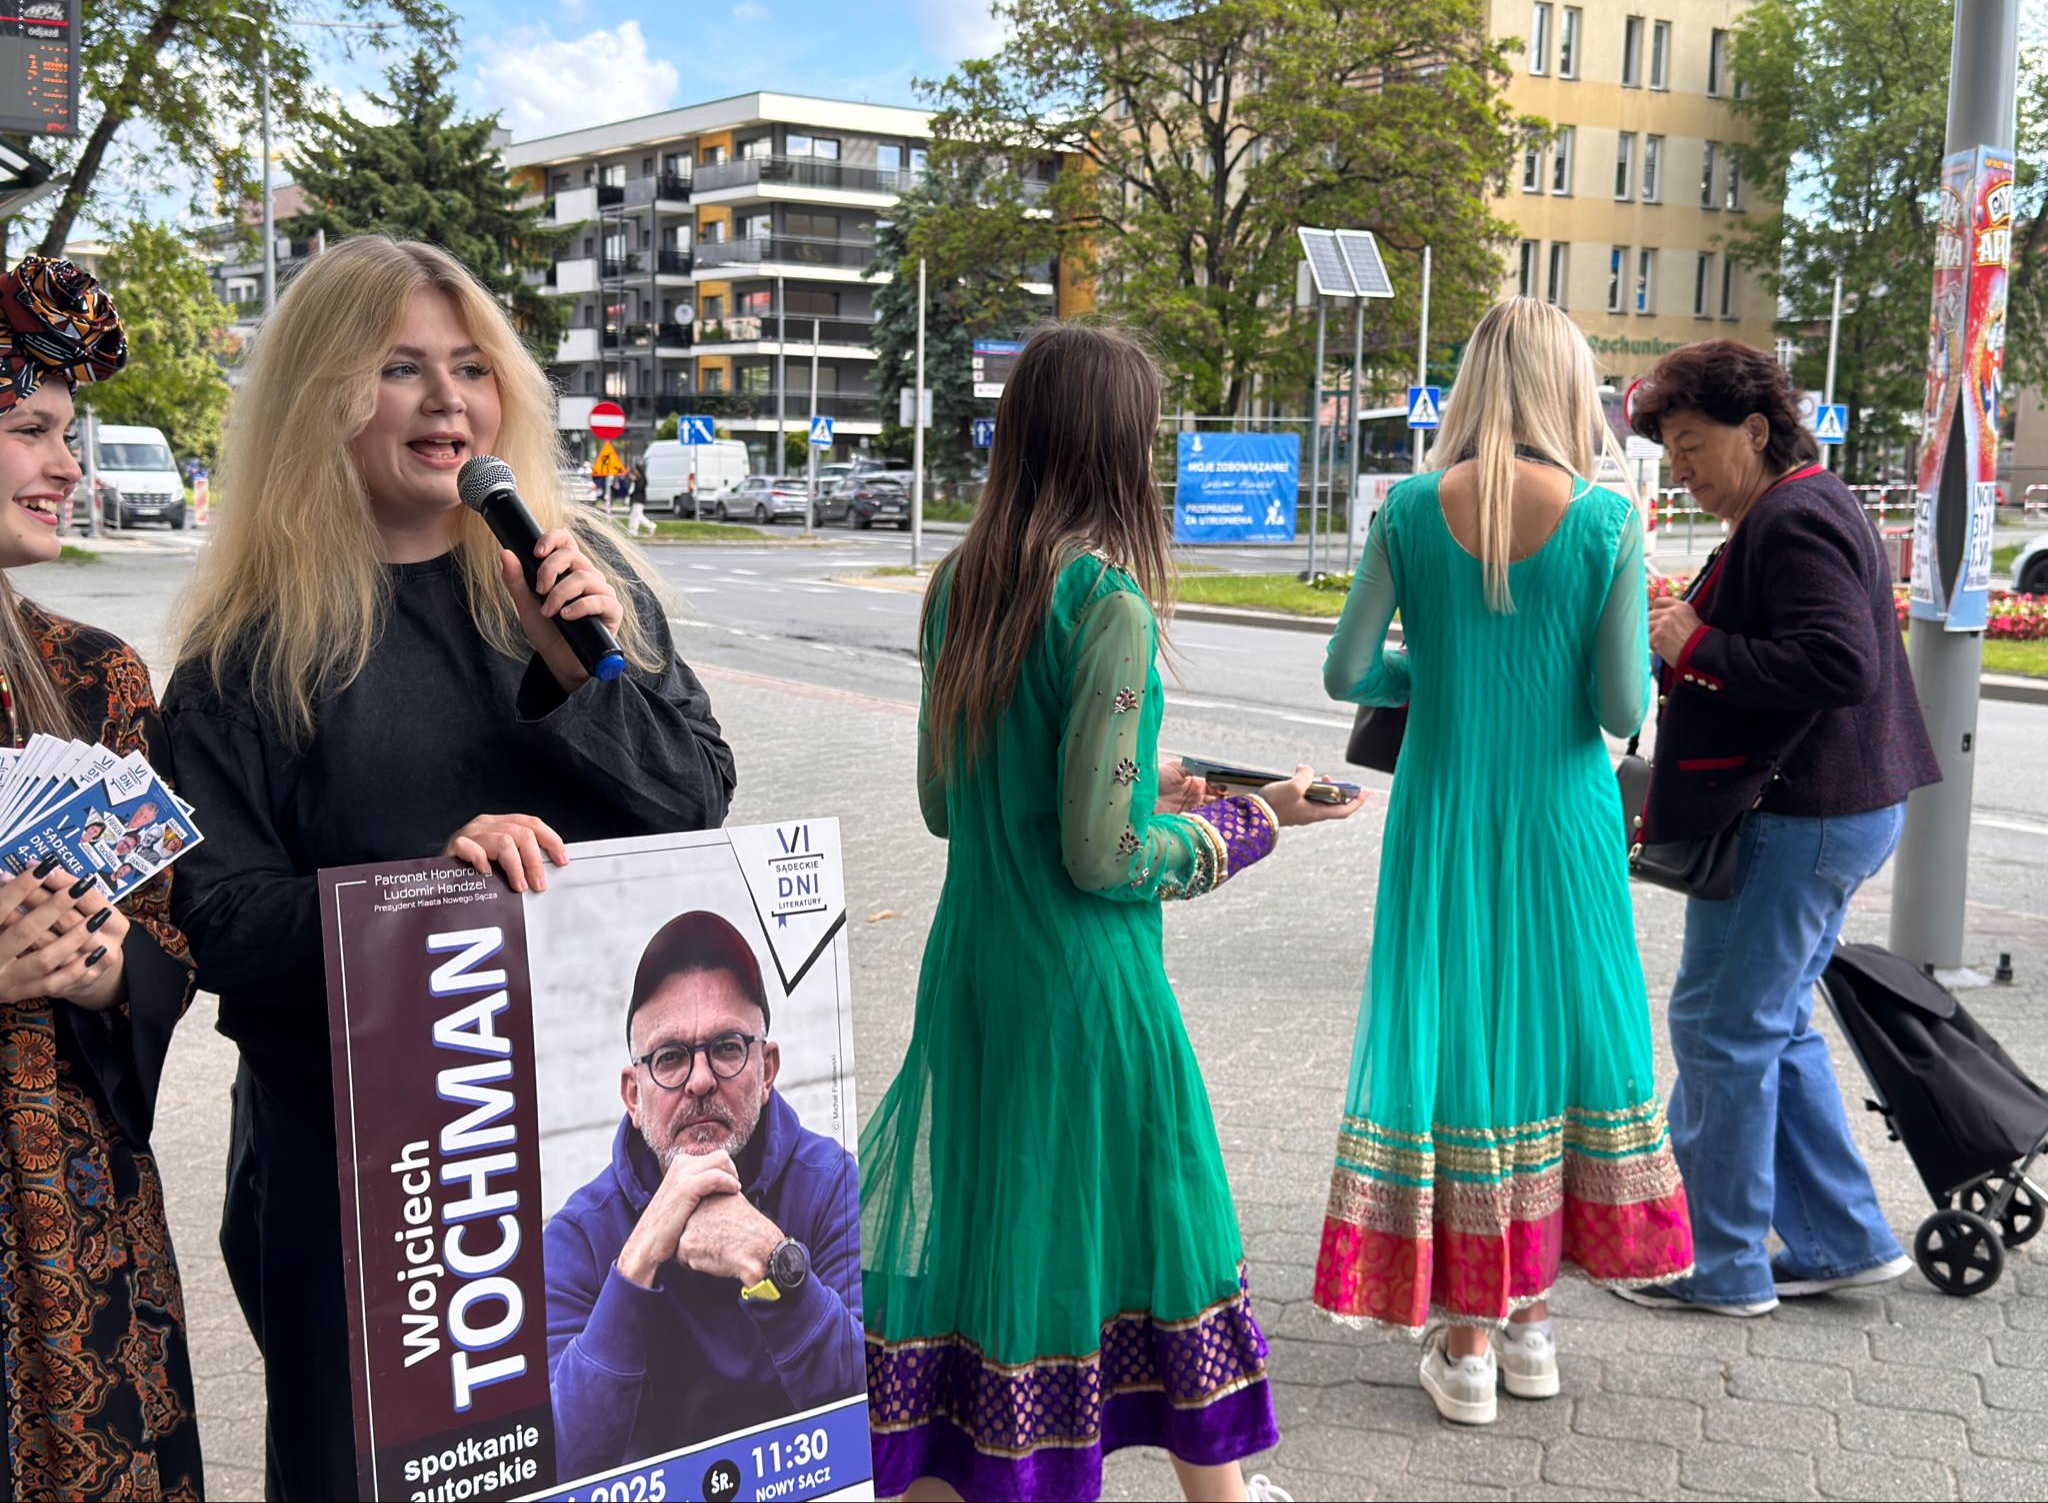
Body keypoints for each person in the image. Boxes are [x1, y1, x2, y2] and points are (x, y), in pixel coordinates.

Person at [163, 234, 737, 1500]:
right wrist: (427, 897)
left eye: (470, 368)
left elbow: (698, 801)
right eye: (401, 368)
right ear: (322, 395)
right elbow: (213, 922)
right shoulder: (248, 655)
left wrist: (588, 670)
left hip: (581, 1155)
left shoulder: (576, 580)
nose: (446, 402)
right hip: (366, 1194)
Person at [861, 322, 1360, 1503]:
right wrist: (1251, 822)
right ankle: (1219, 1500)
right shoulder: (1109, 601)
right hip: (1088, 982)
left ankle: (957, 1474)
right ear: (1119, 447)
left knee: (996, 1220)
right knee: (1160, 1208)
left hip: (975, 962)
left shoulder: (959, 585)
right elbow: (1104, 853)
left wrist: (1153, 766)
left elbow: (946, 803)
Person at [1312, 299, 1694, 1425]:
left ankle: (1464, 1340)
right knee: (1558, 1039)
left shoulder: (1408, 510)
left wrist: (1434, 679)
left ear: (1475, 381)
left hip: (1442, 813)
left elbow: (1345, 672)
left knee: (1451, 1037)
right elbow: (1622, 703)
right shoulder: (1607, 519)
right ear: (1566, 387)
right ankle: (1530, 1328)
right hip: (1563, 821)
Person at [1614, 339, 1940, 1317]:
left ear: (1752, 429)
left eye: (1687, 444)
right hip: (1837, 806)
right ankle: (1839, 1237)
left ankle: (1719, 1265)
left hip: (1795, 814)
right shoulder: (1798, 498)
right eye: (1667, 450)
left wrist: (1695, 643)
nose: (1678, 467)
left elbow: (1833, 662)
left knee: (1717, 1029)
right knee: (1769, 1024)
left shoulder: (1792, 516)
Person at [0, 254, 202, 1498]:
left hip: (80, 1222)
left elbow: (178, 941)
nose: (69, 466)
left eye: (66, 435)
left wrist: (113, 964)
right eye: (28, 429)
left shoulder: (97, 674)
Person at [545, 910, 861, 1478]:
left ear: (767, 1071)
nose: (699, 1080)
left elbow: (879, 1406)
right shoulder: (578, 1237)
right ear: (633, 1095)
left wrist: (773, 1262)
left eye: (727, 1046)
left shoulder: (832, 1184)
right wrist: (637, 1261)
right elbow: (551, 1459)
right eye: (669, 1057)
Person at [626, 458, 654, 536]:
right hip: (636, 499)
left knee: (637, 515)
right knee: (635, 515)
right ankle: (632, 529)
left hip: (639, 500)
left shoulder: (642, 479)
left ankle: (649, 526)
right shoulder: (638, 478)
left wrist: (635, 480)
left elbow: (639, 488)